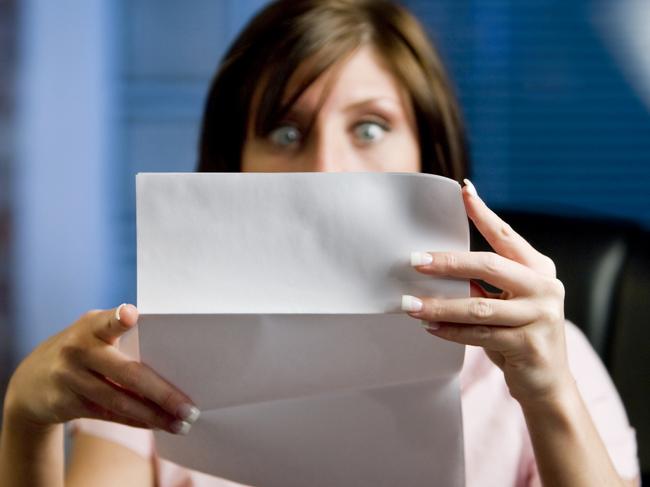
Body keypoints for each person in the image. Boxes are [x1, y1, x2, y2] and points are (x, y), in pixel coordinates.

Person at [0, 0, 640, 485]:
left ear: (429, 156)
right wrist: (24, 422)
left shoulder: (549, 359)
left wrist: (549, 388)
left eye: (369, 126)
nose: (326, 166)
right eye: (285, 132)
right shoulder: (144, 357)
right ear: (232, 168)